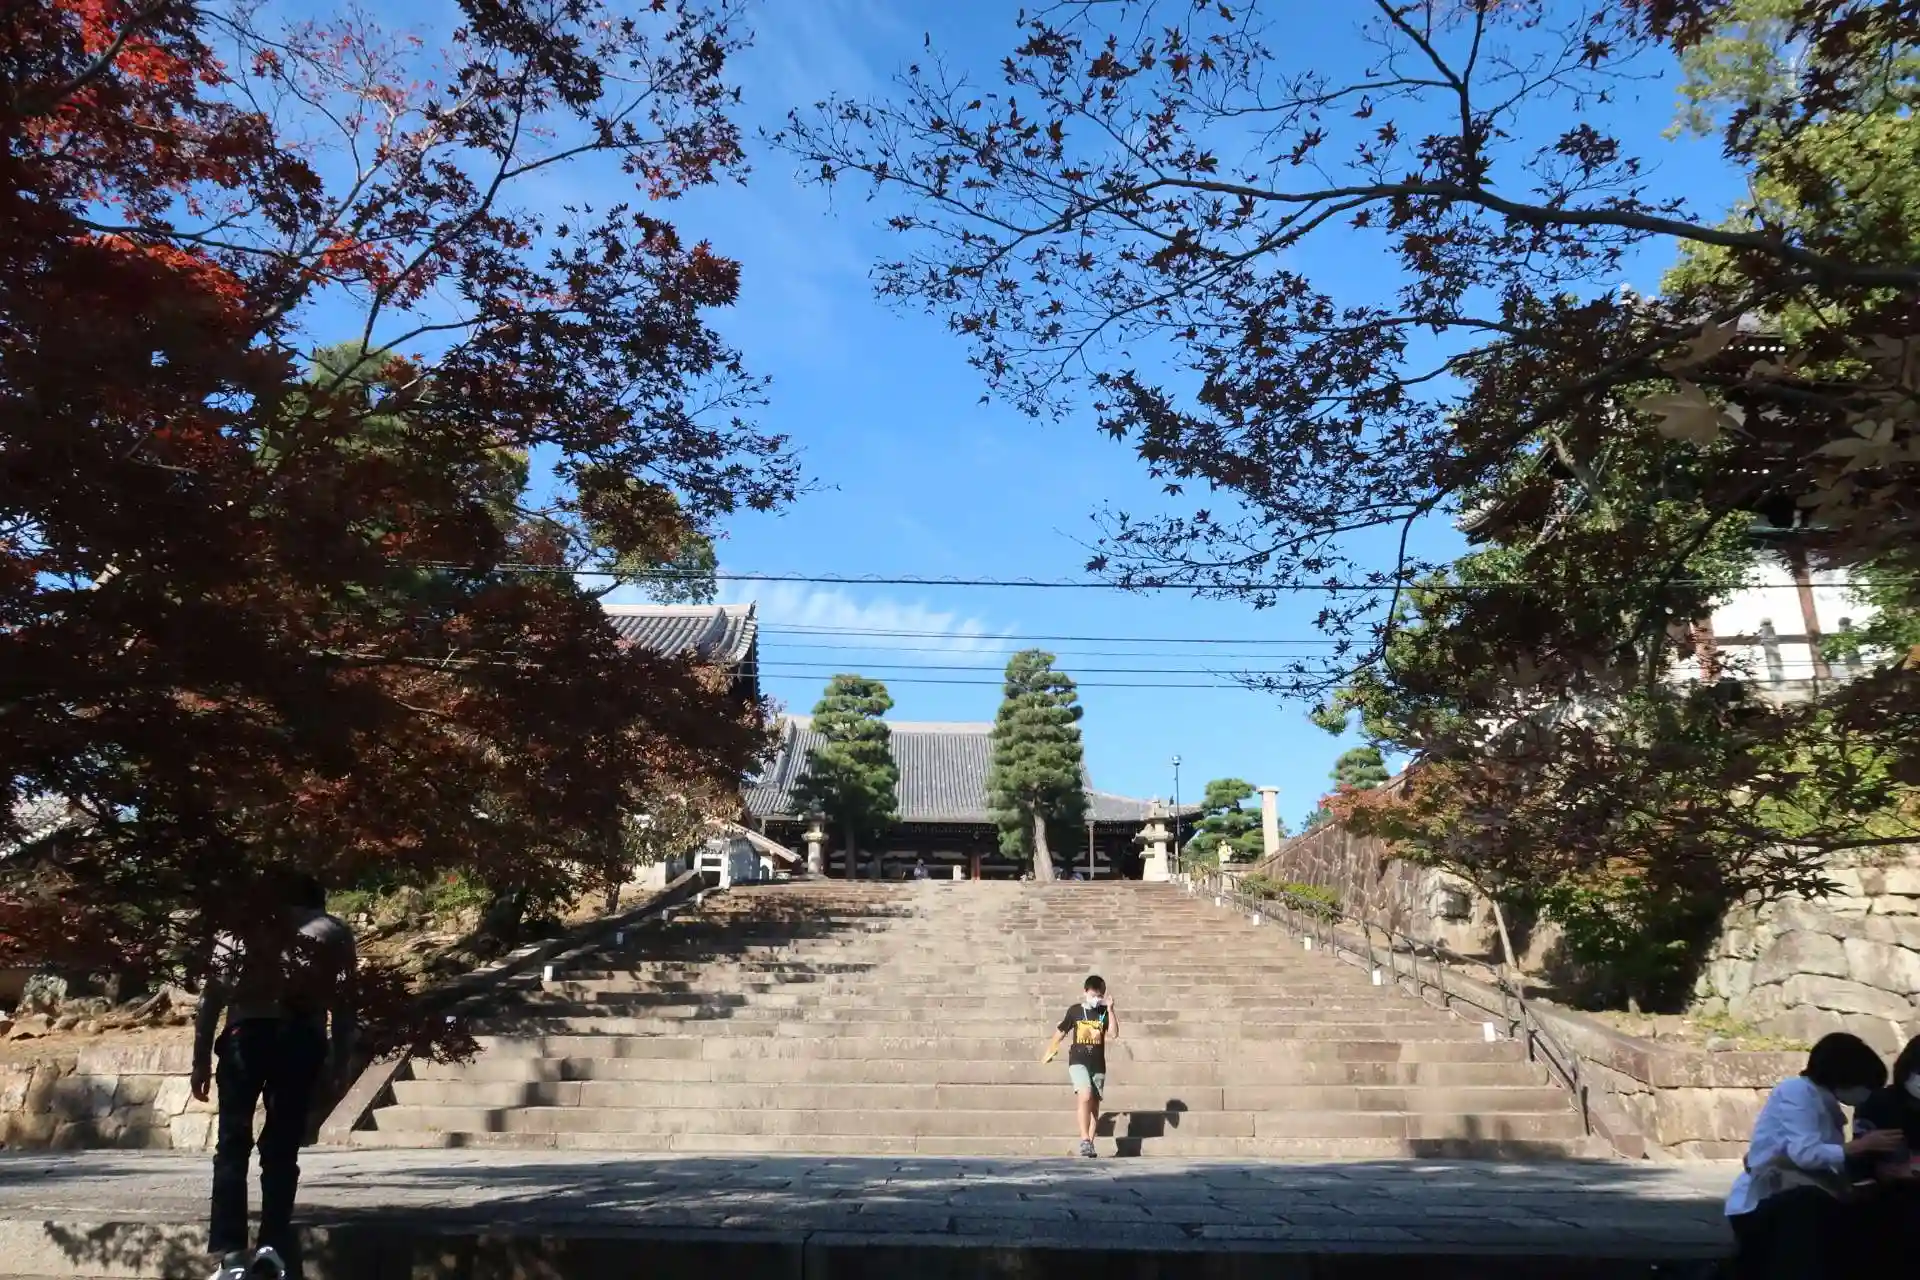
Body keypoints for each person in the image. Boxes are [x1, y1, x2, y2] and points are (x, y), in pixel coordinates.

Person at [192, 870, 358, 1279]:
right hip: (300, 1040)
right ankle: (272, 1248)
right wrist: (341, 1060)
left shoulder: (237, 930)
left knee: (231, 1145)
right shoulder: (333, 931)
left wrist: (200, 1060)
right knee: (281, 1149)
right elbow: (344, 1002)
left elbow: (211, 998)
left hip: (243, 1036)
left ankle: (231, 1255)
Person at [1724, 1031, 1901, 1280]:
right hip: (1769, 1203)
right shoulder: (1796, 1092)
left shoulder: (1826, 1103)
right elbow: (1805, 1153)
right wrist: (1860, 1146)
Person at [1847, 1034, 1920, 1268]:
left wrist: (1913, 1168)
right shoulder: (1879, 1103)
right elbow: (1860, 1158)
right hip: (1886, 1197)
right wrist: (1876, 1172)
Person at [1042, 974, 1118, 1158]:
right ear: (1085, 992)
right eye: (1093, 994)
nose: (1096, 998)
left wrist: (1110, 1010)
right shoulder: (1075, 1011)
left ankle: (1089, 1144)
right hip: (1078, 1061)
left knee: (1094, 1106)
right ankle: (1084, 1138)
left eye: (1099, 996)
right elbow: (1061, 1031)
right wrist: (1051, 1049)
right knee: (1085, 1095)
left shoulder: (1103, 1012)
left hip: (1097, 1064)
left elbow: (1114, 1033)